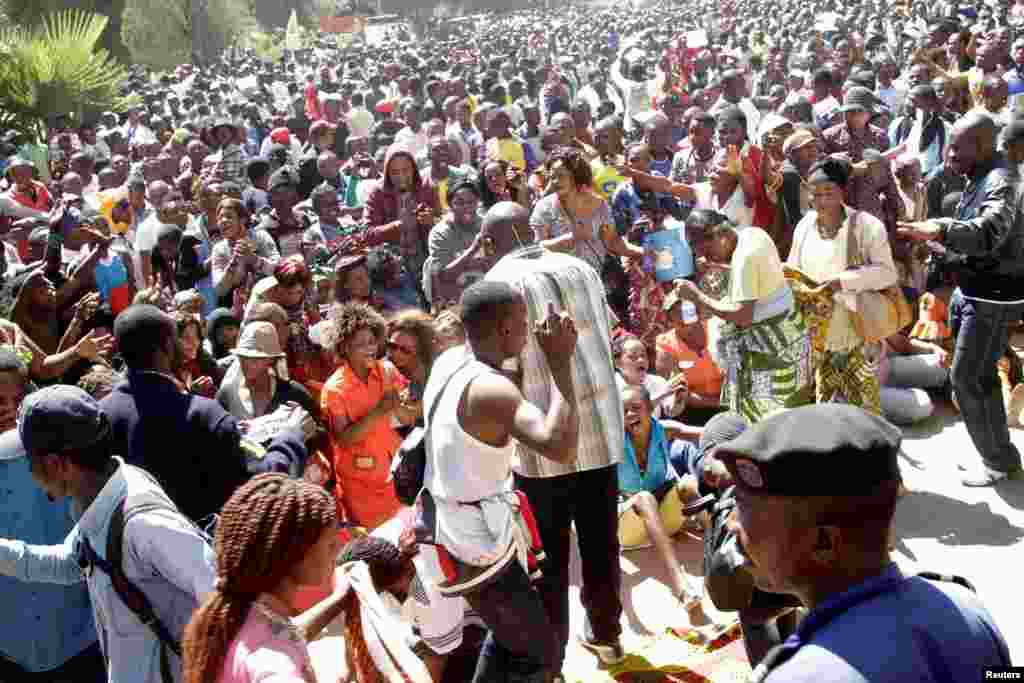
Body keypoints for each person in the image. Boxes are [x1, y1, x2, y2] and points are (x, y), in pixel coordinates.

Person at [715, 404, 1012, 682]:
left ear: (823, 542)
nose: (732, 524)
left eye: (743, 507)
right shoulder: (968, 609)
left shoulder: (799, 676)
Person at [481, 201, 626, 670]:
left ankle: (553, 660)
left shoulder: (497, 288)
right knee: (603, 545)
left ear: (488, 242)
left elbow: (501, 374)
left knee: (550, 563)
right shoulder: (581, 268)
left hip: (542, 448)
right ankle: (608, 636)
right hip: (600, 433)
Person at [0, 385, 217, 683]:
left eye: (29, 462)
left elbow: (223, 599)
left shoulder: (141, 524)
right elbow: (65, 564)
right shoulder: (102, 500)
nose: (29, 472)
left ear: (56, 464)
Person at [421, 279, 579, 683]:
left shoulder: (450, 361)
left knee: (512, 637)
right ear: (505, 330)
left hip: (457, 524)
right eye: (523, 323)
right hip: (474, 540)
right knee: (540, 652)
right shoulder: (490, 389)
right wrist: (561, 362)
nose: (529, 332)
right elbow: (558, 445)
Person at [897, 113, 1024, 485]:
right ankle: (998, 456)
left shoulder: (1003, 180)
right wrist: (935, 241)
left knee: (969, 379)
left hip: (993, 298)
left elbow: (987, 232)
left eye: (957, 146)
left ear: (982, 145)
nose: (948, 154)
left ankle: (998, 460)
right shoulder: (981, 174)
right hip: (974, 291)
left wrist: (938, 227)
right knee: (975, 377)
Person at [101, 304, 309, 523]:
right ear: (167, 345)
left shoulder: (103, 415)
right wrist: (290, 438)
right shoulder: (202, 416)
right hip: (201, 549)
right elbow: (264, 485)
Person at [182, 474, 350, 683]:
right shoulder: (272, 663)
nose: (339, 547)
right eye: (330, 543)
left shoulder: (238, 613)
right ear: (294, 554)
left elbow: (288, 632)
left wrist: (339, 600)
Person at [0, 351, 105, 682]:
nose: (6, 409)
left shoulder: (67, 455)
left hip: (79, 638)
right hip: (11, 645)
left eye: (17, 399)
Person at [673, 211, 814, 423]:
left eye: (708, 251)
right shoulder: (753, 234)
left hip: (772, 351)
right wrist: (719, 266)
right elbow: (753, 275)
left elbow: (742, 315)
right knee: (794, 412)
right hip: (790, 336)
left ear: (720, 235)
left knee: (771, 422)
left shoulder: (744, 258)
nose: (706, 257)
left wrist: (696, 296)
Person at [788, 157, 898, 414]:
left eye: (828, 192)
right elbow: (794, 270)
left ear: (843, 191)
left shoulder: (867, 227)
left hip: (858, 333)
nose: (821, 201)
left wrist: (843, 282)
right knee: (824, 410)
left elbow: (887, 274)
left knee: (866, 411)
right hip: (819, 335)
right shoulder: (805, 226)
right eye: (815, 194)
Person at [617, 384, 712, 628]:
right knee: (644, 498)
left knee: (689, 484)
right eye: (624, 411)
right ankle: (683, 589)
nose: (629, 415)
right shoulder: (614, 442)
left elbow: (702, 433)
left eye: (635, 408)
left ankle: (719, 552)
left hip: (664, 520)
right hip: (630, 529)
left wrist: (738, 433)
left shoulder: (665, 430)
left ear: (650, 409)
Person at [320, 302, 415, 530]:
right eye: (360, 344)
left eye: (371, 342)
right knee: (375, 544)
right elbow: (343, 438)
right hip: (361, 488)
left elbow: (404, 418)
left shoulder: (387, 371)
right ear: (344, 348)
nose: (369, 349)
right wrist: (379, 411)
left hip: (396, 475)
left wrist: (403, 408)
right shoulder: (335, 389)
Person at [216, 321, 317, 421]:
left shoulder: (294, 393)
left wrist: (303, 420)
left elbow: (321, 432)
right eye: (243, 357)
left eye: (256, 358)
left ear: (271, 359)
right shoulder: (227, 394)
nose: (247, 363)